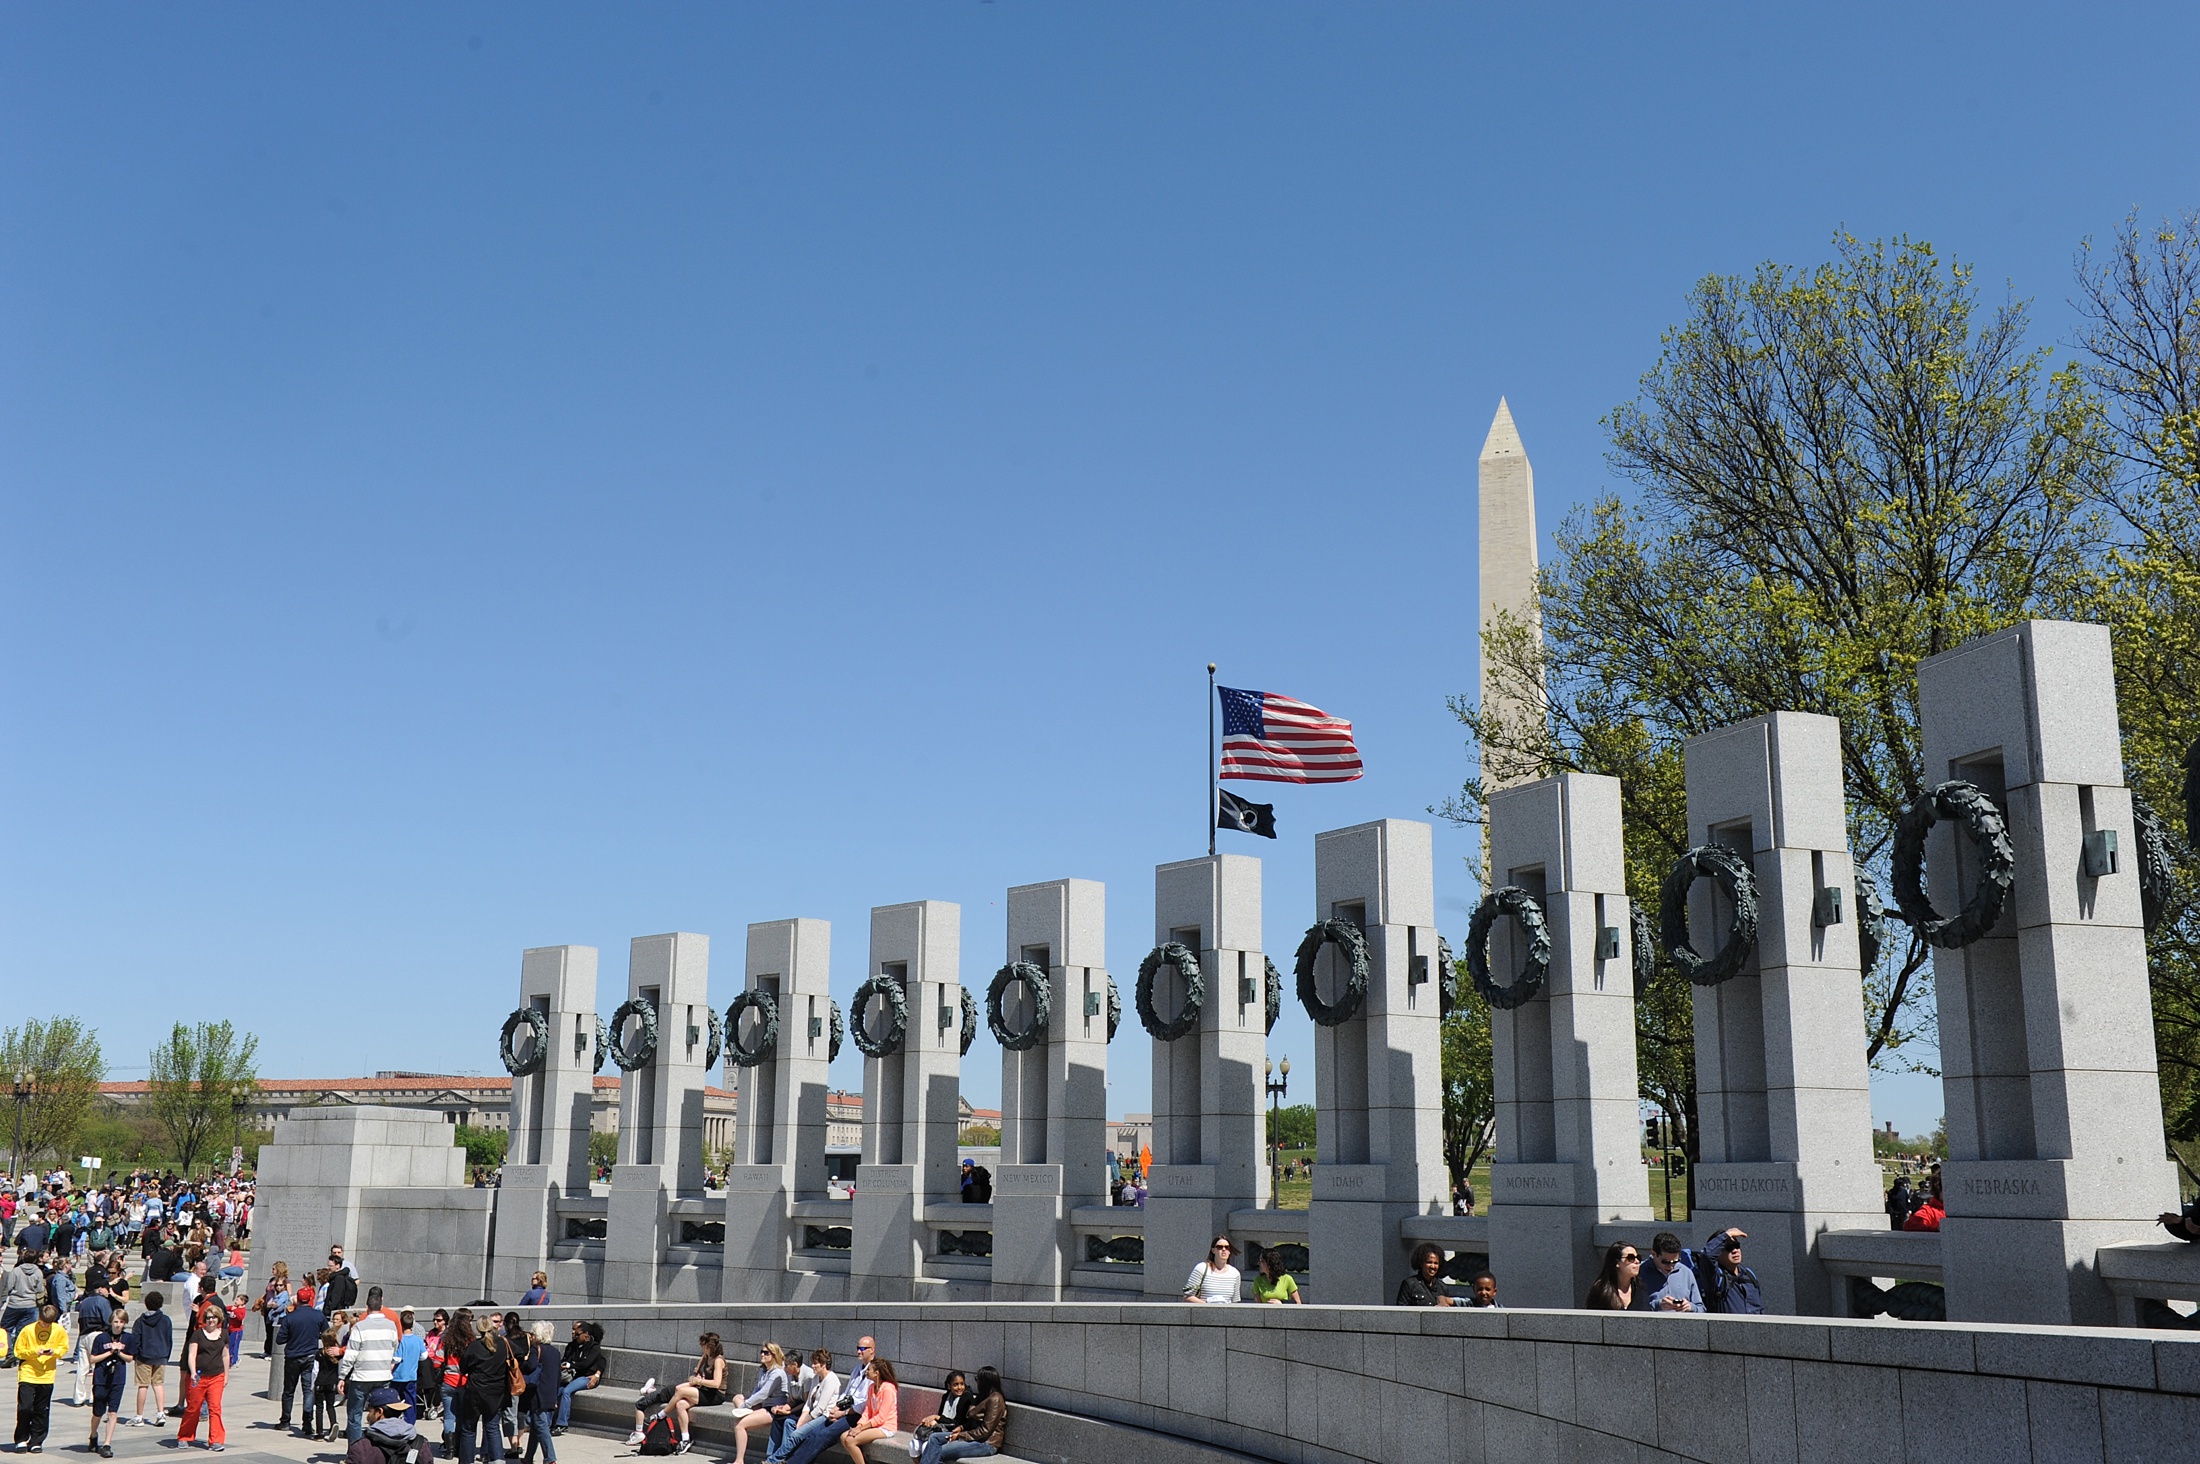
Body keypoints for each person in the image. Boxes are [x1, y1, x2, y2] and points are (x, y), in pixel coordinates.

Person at [774, 1337, 874, 1464]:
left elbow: (864, 1402)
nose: (859, 1351)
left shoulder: (874, 1372)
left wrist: (843, 1413)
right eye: (858, 1348)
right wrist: (837, 1407)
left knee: (823, 1435)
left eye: (863, 1348)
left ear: (872, 1350)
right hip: (843, 1410)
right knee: (813, 1433)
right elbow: (847, 1393)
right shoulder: (857, 1369)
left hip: (857, 1415)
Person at [627, 1332, 726, 1454]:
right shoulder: (707, 1356)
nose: (700, 1347)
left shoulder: (718, 1360)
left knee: (680, 1390)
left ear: (708, 1346)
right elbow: (700, 1365)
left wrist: (699, 1380)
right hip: (705, 1389)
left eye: (702, 1344)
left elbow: (716, 1383)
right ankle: (685, 1439)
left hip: (715, 1395)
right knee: (680, 1404)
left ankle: (661, 1414)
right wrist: (697, 1373)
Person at [343, 1288, 403, 1442]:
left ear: (367, 1307)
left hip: (362, 1376)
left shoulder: (360, 1326)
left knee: (355, 1415)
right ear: (381, 1306)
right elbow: (394, 1347)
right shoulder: (390, 1326)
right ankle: (380, 1447)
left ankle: (355, 1452)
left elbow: (351, 1354)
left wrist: (342, 1375)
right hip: (383, 1375)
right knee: (383, 1413)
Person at [178, 1282, 231, 1452]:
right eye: (208, 1318)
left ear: (219, 1319)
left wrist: (226, 1375)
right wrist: (193, 1372)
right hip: (199, 1376)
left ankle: (216, 1440)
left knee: (215, 1408)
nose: (211, 1321)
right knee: (193, 1407)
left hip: (216, 1376)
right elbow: (192, 1355)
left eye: (214, 1318)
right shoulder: (198, 1334)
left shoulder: (223, 1334)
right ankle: (185, 1436)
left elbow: (225, 1355)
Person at [454, 1309, 513, 1464]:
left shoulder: (474, 1347)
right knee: (493, 1427)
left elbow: (463, 1368)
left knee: (468, 1429)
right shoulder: (503, 1344)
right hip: (496, 1392)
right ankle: (498, 1459)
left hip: (475, 1392)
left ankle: (466, 1461)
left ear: (479, 1329)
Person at [916, 1365, 1006, 1464]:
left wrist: (960, 1436)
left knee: (938, 1452)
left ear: (985, 1381)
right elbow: (973, 1421)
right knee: (934, 1438)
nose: (976, 1382)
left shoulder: (995, 1399)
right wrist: (962, 1428)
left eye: (977, 1379)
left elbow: (985, 1431)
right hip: (973, 1437)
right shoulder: (982, 1397)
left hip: (986, 1444)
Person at [12, 1301, 69, 1452]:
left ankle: (36, 1440)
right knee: (25, 1408)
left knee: (41, 1410)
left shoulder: (58, 1330)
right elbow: (18, 1351)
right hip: (28, 1373)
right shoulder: (28, 1330)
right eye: (43, 1323)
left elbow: (63, 1348)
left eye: (48, 1324)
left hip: (47, 1375)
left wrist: (54, 1352)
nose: (45, 1326)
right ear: (39, 1317)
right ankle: (21, 1438)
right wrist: (33, 1352)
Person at [764, 1350, 837, 1464]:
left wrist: (804, 1422)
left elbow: (820, 1409)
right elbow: (808, 1403)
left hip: (823, 1416)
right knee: (789, 1423)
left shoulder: (831, 1380)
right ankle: (784, 1459)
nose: (812, 1366)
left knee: (796, 1435)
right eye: (812, 1363)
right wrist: (802, 1419)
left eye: (815, 1363)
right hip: (811, 1413)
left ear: (823, 1365)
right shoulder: (816, 1378)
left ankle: (772, 1461)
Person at [728, 1342, 791, 1464]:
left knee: (739, 1425)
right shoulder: (763, 1369)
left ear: (773, 1355)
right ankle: (747, 1414)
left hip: (773, 1409)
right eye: (761, 1352)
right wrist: (748, 1402)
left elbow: (764, 1394)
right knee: (737, 1397)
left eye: (766, 1353)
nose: (762, 1354)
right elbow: (757, 1390)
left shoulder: (777, 1372)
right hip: (763, 1405)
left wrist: (745, 1405)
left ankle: (739, 1461)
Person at [277, 1284, 326, 1432]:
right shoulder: (318, 1315)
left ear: (297, 1300)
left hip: (293, 1357)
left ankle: (285, 1421)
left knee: (289, 1390)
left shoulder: (289, 1318)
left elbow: (280, 1339)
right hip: (311, 1356)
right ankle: (307, 1423)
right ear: (310, 1299)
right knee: (308, 1390)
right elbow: (326, 1334)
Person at [347, 1385, 435, 1464]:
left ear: (379, 1412)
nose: (368, 1416)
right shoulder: (420, 1443)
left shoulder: (362, 1447)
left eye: (370, 1411)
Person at [85, 1304, 129, 1458]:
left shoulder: (128, 1338)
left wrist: (120, 1352)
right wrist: (110, 1352)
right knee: (98, 1412)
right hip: (101, 1378)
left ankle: (107, 1444)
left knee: (113, 1412)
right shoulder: (101, 1338)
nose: (118, 1325)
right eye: (116, 1322)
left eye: (121, 1322)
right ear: (111, 1322)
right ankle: (93, 1434)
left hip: (118, 1378)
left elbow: (130, 1358)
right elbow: (92, 1359)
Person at [126, 1289, 173, 1428]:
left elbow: (136, 1339)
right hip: (161, 1355)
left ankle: (139, 1416)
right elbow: (169, 1339)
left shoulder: (140, 1321)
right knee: (158, 1385)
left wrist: (135, 1354)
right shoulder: (165, 1320)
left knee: (143, 1386)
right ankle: (160, 1413)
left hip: (144, 1356)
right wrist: (166, 1355)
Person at [837, 1359, 897, 1464]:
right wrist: (858, 1426)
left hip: (885, 1427)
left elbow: (881, 1417)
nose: (866, 1372)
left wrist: (860, 1429)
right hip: (873, 1425)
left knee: (850, 1440)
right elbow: (867, 1411)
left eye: (869, 1369)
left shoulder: (888, 1389)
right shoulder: (871, 1387)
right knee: (843, 1437)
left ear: (877, 1373)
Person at [551, 1321, 602, 1435]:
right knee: (556, 1390)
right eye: (573, 1332)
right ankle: (547, 1422)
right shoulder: (572, 1346)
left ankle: (562, 1424)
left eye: (578, 1334)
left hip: (586, 1377)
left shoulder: (594, 1347)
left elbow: (585, 1364)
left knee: (566, 1392)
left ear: (586, 1335)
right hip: (572, 1376)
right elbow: (566, 1359)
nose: (574, 1335)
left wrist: (570, 1365)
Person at [520, 1322, 561, 1464]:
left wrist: (523, 1362)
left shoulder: (536, 1350)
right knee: (536, 1425)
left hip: (537, 1392)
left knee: (541, 1425)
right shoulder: (555, 1352)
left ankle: (550, 1458)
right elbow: (558, 1375)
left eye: (532, 1334)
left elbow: (530, 1366)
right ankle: (528, 1457)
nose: (531, 1337)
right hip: (549, 1392)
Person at [1698, 1229, 1766, 1314]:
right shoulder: (1715, 1277)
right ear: (1718, 1253)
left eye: (1737, 1246)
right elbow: (1707, 1256)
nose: (1735, 1251)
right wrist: (1727, 1234)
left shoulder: (1748, 1275)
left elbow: (1759, 1308)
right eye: (1729, 1247)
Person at [1636, 1232, 1703, 1312]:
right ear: (1654, 1254)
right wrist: (1658, 1305)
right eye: (1666, 1262)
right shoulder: (1639, 1272)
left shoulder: (1686, 1272)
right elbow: (1633, 1309)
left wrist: (1690, 1307)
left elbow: (1701, 1309)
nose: (1671, 1266)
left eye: (1675, 1261)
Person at [1585, 1242, 1642, 1310]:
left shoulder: (1641, 1290)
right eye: (1631, 1258)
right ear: (1617, 1263)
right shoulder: (1602, 1292)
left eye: (1638, 1257)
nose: (1637, 1261)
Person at [1182, 1237, 1240, 1304]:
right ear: (1213, 1250)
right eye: (1219, 1247)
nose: (1223, 1249)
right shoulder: (1201, 1268)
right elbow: (1187, 1297)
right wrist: (1207, 1304)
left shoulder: (1235, 1273)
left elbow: (1235, 1302)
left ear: (1229, 1251)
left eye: (1227, 1247)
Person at [256, 1262, 293, 1358]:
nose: (272, 1271)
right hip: (268, 1307)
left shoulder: (285, 1281)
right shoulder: (272, 1280)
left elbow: (288, 1295)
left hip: (277, 1309)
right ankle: (267, 1350)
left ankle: (273, 1351)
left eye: (274, 1269)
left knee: (274, 1330)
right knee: (268, 1329)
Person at [324, 1247, 360, 1314]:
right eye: (334, 1252)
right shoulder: (334, 1276)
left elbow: (335, 1297)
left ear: (337, 1266)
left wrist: (327, 1310)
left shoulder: (339, 1278)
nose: (328, 1268)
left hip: (336, 1311)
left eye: (331, 1266)